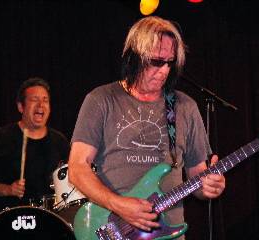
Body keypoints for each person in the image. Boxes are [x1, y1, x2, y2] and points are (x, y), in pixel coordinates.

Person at [68, 16, 225, 239]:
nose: (164, 71)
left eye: (170, 62)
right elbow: (77, 169)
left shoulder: (184, 107)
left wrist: (210, 186)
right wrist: (119, 205)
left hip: (167, 232)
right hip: (114, 228)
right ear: (134, 57)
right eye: (156, 62)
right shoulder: (101, 100)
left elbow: (197, 177)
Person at [0, 77, 70, 215]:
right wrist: (7, 189)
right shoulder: (2, 137)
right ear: (21, 107)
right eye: (34, 100)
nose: (40, 105)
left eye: (45, 100)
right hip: (10, 220)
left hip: (50, 221)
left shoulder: (60, 142)